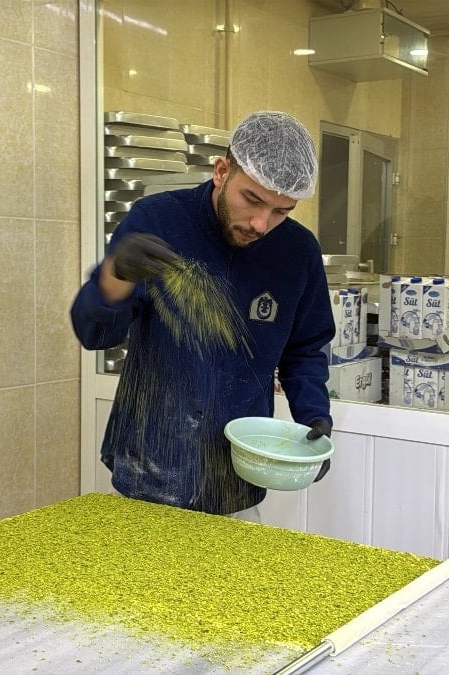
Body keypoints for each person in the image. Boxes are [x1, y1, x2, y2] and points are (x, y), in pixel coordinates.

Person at [70, 111, 336, 518]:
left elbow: (304, 350)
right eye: (252, 200)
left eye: (282, 211)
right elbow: (94, 334)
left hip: (233, 476)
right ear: (221, 171)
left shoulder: (297, 253)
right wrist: (115, 276)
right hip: (148, 464)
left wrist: (315, 416)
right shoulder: (157, 221)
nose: (261, 224)